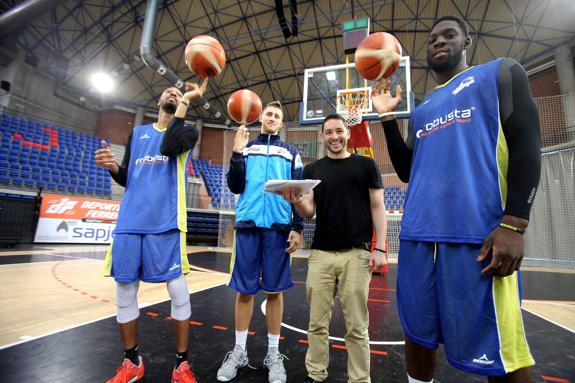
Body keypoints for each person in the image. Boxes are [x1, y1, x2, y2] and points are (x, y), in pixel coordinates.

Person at [372, 15, 541, 383]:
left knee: (502, 352)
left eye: (448, 35)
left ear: (467, 42)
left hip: (478, 239)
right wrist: (387, 118)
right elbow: (406, 170)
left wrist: (514, 222)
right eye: (432, 39)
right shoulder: (424, 108)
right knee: (417, 335)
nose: (437, 42)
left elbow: (528, 145)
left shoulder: (500, 73)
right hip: (419, 238)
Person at [95, 79, 208, 383]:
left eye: (178, 93)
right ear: (158, 101)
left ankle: (181, 365)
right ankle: (132, 362)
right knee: (125, 291)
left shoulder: (186, 131)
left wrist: (186, 100)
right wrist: (113, 168)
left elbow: (169, 145)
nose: (174, 93)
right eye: (168, 92)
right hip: (131, 221)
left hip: (165, 222)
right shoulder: (137, 134)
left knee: (178, 290)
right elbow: (128, 177)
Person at [279, 114, 388, 383]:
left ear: (348, 134)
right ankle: (316, 375)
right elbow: (308, 212)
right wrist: (296, 201)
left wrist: (381, 248)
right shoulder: (312, 170)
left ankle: (360, 379)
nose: (335, 136)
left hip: (357, 254)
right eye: (329, 132)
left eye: (339, 131)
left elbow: (377, 207)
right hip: (321, 255)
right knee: (316, 324)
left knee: (357, 326)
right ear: (322, 137)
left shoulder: (366, 165)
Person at [217, 101, 304, 383]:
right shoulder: (248, 146)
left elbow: (299, 193)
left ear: (281, 123)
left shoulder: (291, 153)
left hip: (278, 228)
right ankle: (239, 351)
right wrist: (236, 151)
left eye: (277, 116)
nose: (272, 118)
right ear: (261, 118)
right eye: (268, 113)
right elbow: (235, 186)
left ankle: (273, 354)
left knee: (275, 292)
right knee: (244, 291)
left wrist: (297, 227)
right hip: (249, 225)